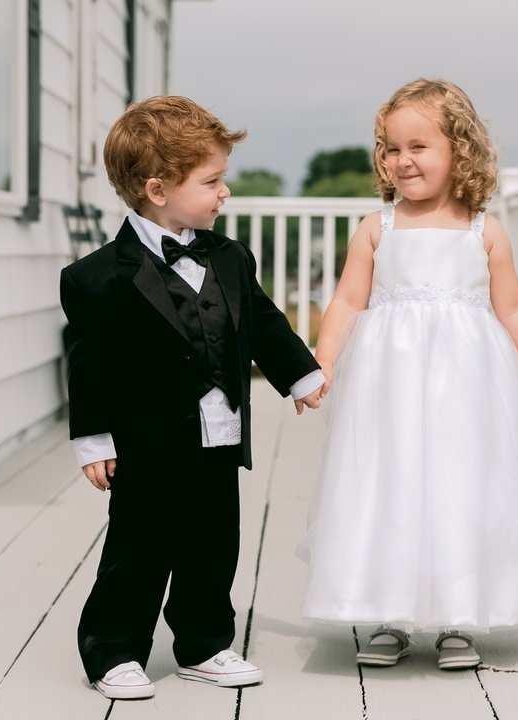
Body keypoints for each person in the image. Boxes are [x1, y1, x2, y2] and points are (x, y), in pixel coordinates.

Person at [296, 78, 518, 671]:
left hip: (465, 388)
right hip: (388, 387)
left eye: (418, 146)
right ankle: (389, 613)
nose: (402, 161)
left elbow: (515, 309)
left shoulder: (485, 231)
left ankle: (457, 613)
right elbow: (348, 301)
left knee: (460, 486)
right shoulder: (379, 228)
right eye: (391, 148)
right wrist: (319, 363)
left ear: (461, 150)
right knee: (388, 483)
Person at [61, 95, 324, 700]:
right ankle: (114, 647)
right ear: (158, 188)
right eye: (212, 181)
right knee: (140, 546)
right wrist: (93, 439)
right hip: (146, 440)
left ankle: (204, 644)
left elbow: (262, 321)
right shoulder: (96, 278)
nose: (223, 192)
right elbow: (89, 365)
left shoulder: (230, 257)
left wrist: (300, 375)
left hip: (219, 428)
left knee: (212, 543)